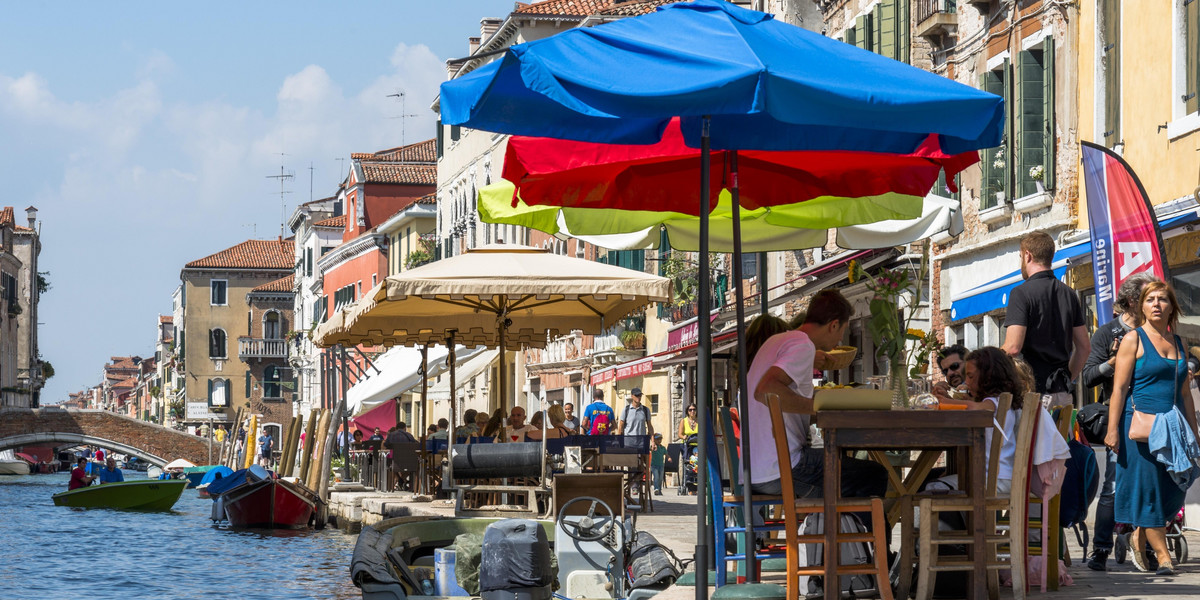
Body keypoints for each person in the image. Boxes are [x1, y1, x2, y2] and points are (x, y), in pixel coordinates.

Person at [748, 289, 887, 500]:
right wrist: (820, 406)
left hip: (756, 471)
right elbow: (765, 390)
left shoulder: (777, 340)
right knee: (873, 475)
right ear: (833, 325)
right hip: (781, 469)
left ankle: (839, 530)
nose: (841, 339)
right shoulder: (802, 344)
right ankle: (845, 532)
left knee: (850, 470)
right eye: (843, 330)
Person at [1105, 281, 1199, 576]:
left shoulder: (1180, 344)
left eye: (1163, 299)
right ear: (1141, 306)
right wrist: (1112, 430)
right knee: (1149, 492)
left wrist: (1195, 434)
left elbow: (1184, 394)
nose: (1157, 304)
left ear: (1173, 306)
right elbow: (1119, 389)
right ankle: (1163, 557)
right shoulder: (1133, 339)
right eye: (1150, 300)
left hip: (1173, 429)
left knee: (1174, 490)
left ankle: (1139, 535)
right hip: (1140, 426)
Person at [1081, 273, 1157, 571]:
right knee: (1113, 485)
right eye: (1146, 297)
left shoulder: (1157, 330)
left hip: (1154, 416)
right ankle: (1101, 549)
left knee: (1151, 485)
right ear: (1129, 301)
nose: (1153, 303)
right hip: (1121, 415)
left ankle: (1146, 546)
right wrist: (1113, 363)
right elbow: (1087, 376)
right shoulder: (1108, 332)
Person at [1002, 231, 1089, 406]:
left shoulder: (1020, 293)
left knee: (1029, 435)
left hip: (1033, 394)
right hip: (1062, 393)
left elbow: (1012, 347)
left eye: (1021, 256)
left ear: (1028, 255)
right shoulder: (1069, 293)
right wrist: (1066, 377)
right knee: (1061, 434)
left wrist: (986, 364)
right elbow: (1084, 347)